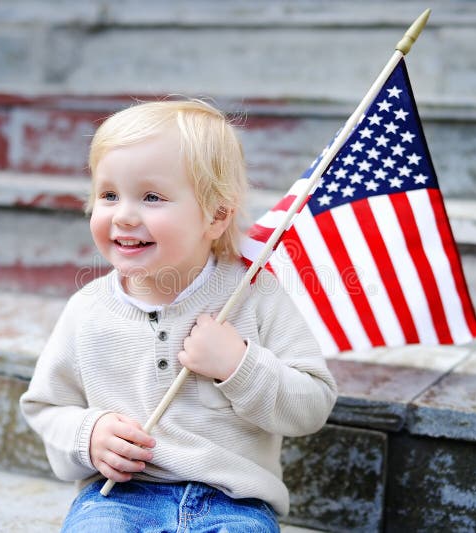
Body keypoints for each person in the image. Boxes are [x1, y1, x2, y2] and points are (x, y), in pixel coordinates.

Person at [20, 98, 338, 532]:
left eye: (151, 197)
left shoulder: (255, 294)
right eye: (108, 195)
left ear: (216, 216)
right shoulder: (88, 310)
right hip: (119, 499)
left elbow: (312, 405)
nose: (124, 215)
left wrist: (239, 365)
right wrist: (88, 436)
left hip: (233, 502)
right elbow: (46, 406)